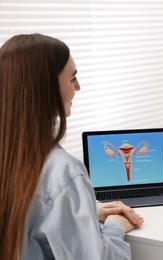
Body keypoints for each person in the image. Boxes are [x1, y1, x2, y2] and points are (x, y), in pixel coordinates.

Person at [0, 34, 144, 260]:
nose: (78, 87)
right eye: (72, 78)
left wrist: (85, 210)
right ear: (45, 88)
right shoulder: (63, 172)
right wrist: (115, 226)